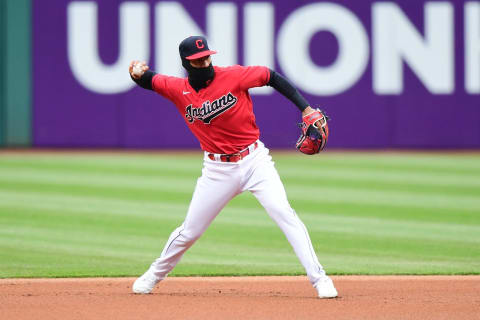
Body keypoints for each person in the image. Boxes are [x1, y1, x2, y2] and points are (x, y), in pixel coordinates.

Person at [128, 35, 337, 298]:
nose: (204, 62)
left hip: (254, 161)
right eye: (197, 60)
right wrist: (136, 73)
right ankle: (154, 274)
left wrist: (305, 108)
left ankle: (320, 280)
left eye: (207, 57)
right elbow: (149, 80)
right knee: (190, 231)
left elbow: (271, 76)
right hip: (217, 171)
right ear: (186, 63)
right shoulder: (176, 88)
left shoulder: (234, 76)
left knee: (285, 215)